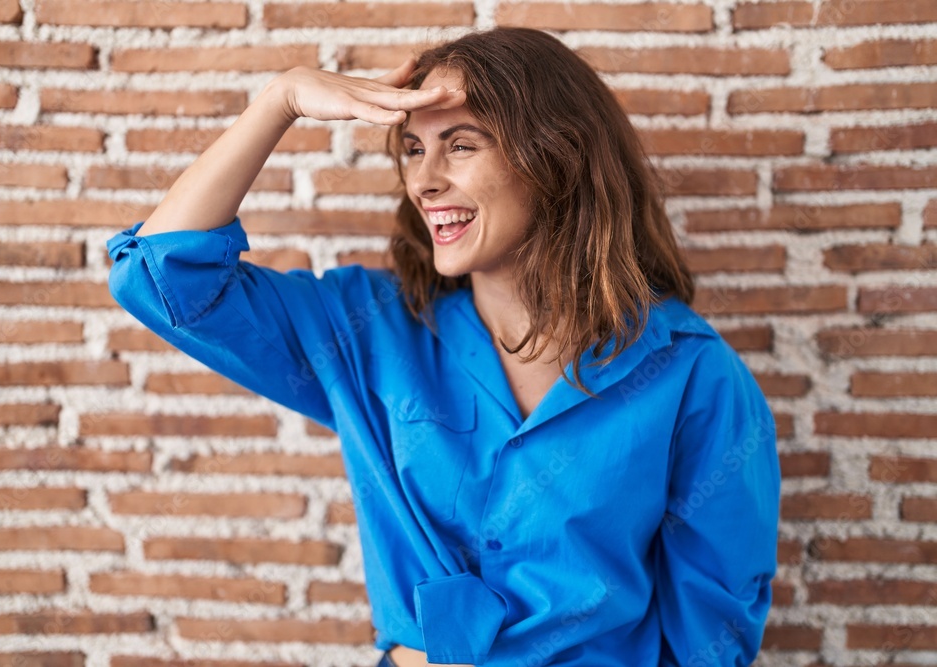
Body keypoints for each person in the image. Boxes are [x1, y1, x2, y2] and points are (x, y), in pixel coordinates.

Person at [106, 26, 780, 667]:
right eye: (412, 148)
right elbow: (159, 277)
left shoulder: (692, 375)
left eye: (460, 145)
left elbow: (710, 636)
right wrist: (281, 99)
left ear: (557, 158)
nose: (425, 180)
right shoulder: (368, 330)